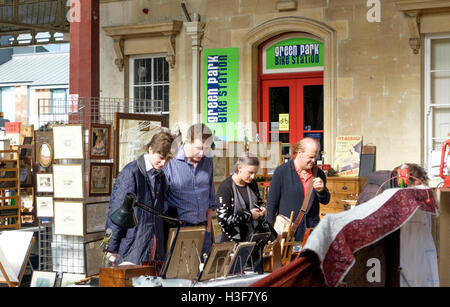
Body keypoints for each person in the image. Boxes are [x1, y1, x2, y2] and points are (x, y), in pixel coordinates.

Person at [105, 131, 175, 265]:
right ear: (150, 149)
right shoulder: (131, 173)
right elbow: (116, 211)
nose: (163, 163)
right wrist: (111, 248)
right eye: (161, 157)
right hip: (132, 246)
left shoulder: (161, 176)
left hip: (154, 247)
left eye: (168, 159)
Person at [163, 123, 215, 255]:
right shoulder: (170, 162)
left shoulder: (208, 161)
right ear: (187, 142)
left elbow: (211, 199)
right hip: (179, 230)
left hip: (204, 230)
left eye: (206, 148)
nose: (202, 153)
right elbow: (161, 201)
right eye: (198, 148)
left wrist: (208, 228)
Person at [266, 137, 330, 242]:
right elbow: (271, 204)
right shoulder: (281, 172)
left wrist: (321, 190)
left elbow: (325, 200)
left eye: (315, 157)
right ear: (300, 153)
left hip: (310, 232)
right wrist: (269, 232)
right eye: (311, 157)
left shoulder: (319, 173)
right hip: (287, 233)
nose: (313, 161)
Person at [216, 152, 267, 243]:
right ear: (239, 168)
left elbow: (259, 202)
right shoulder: (225, 188)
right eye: (250, 172)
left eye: (255, 173)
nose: (253, 177)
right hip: (233, 242)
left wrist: (262, 209)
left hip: (253, 241)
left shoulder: (252, 184)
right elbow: (223, 220)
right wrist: (249, 215)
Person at [356, 163, 429, 205]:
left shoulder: (392, 189)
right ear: (406, 181)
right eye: (415, 187)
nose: (416, 191)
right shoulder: (374, 194)